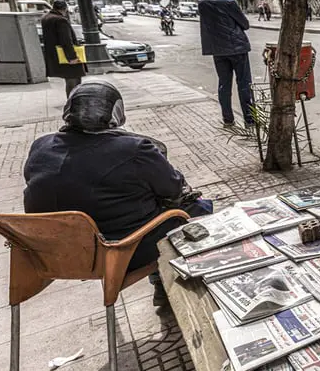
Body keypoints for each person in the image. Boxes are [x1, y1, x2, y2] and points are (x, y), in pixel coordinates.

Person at [22, 80, 209, 304]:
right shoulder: (135, 149)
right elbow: (173, 189)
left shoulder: (41, 146)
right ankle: (169, 284)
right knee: (198, 208)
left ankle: (164, 284)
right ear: (116, 113)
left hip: (54, 253)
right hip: (120, 250)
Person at [198, 0, 255, 127]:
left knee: (224, 84)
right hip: (237, 48)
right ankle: (249, 119)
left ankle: (228, 119)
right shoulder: (229, 2)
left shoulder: (202, 3)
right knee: (244, 84)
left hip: (218, 50)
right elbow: (245, 24)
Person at [41, 0, 85, 98]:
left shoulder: (45, 18)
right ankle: (73, 100)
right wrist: (72, 57)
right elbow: (66, 40)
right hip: (64, 54)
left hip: (53, 54)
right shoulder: (61, 20)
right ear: (64, 9)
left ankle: (72, 99)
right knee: (73, 77)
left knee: (70, 77)